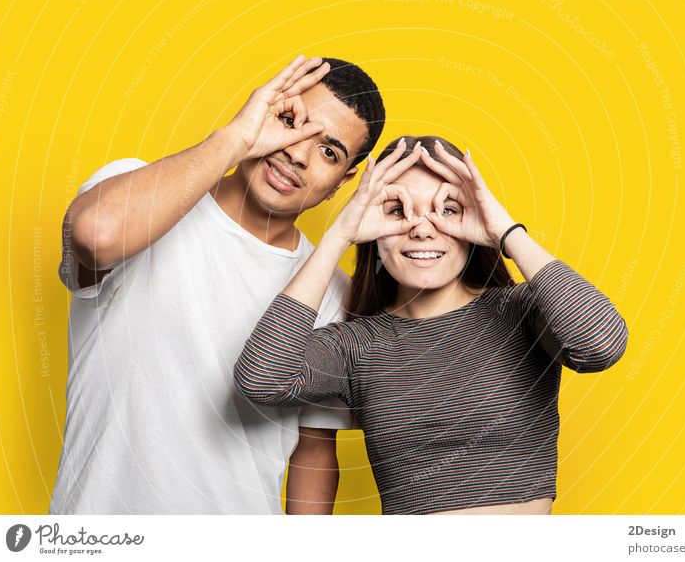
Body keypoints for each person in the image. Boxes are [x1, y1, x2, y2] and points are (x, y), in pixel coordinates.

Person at [51, 55, 385, 514]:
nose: (298, 153)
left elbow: (314, 452)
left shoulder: (332, 293)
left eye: (329, 151)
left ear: (341, 182)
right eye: (290, 121)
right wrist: (236, 138)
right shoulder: (139, 190)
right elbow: (96, 237)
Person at [234, 135, 629, 515]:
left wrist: (505, 232)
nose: (422, 228)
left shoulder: (521, 311)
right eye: (396, 210)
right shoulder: (357, 345)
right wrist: (339, 235)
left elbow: (600, 345)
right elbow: (261, 378)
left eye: (448, 210)